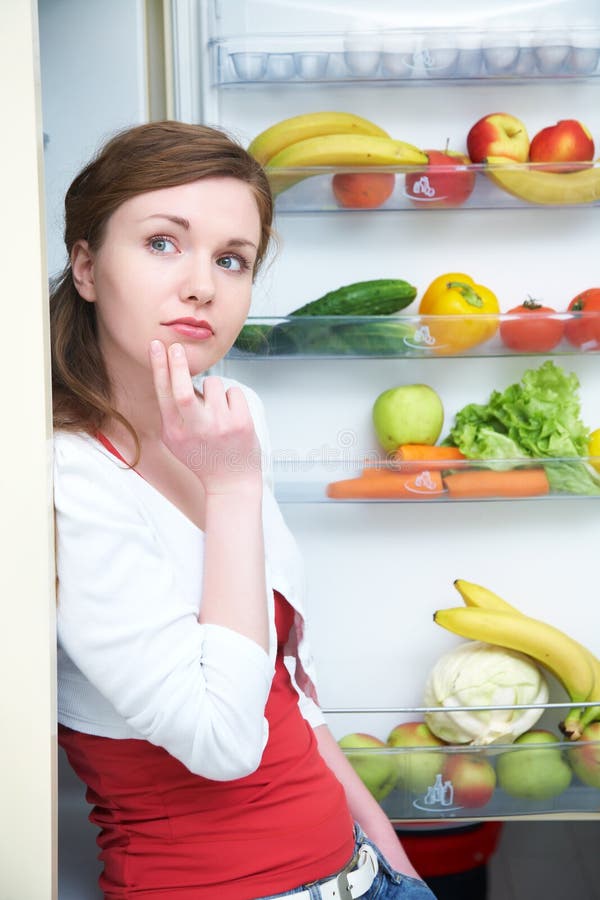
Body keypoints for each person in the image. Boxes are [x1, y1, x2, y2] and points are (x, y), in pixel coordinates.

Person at [52, 119, 438, 900]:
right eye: (163, 243)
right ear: (87, 266)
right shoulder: (65, 474)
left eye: (233, 259)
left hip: (360, 873)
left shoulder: (232, 416)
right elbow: (222, 740)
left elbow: (288, 685)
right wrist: (229, 488)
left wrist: (391, 857)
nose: (203, 284)